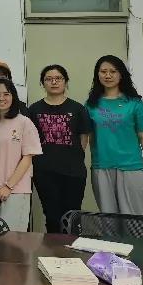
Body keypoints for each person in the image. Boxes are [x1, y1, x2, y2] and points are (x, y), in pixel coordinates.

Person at [85, 55, 143, 215]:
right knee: (108, 219)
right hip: (101, 167)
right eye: (103, 71)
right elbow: (88, 138)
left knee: (134, 220)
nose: (108, 75)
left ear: (121, 74)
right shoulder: (91, 105)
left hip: (132, 168)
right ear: (97, 74)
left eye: (113, 71)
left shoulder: (135, 103)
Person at [28, 65, 91, 233]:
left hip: (73, 172)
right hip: (44, 171)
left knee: (72, 216)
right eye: (49, 79)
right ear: (42, 83)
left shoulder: (78, 109)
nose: (54, 82)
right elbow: (30, 140)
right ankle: (54, 249)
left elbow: (83, 138)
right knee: (52, 216)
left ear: (65, 82)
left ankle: (72, 247)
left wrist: (73, 157)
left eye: (58, 78)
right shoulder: (34, 110)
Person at [0, 79, 42, 231]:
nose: (1, 98)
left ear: (13, 96)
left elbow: (27, 158)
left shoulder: (24, 122)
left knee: (11, 239)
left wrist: (8, 186)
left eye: (6, 94)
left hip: (16, 190)